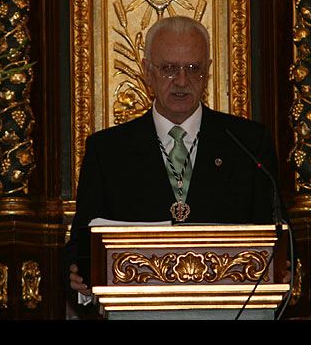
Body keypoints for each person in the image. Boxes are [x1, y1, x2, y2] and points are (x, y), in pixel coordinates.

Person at [62, 15, 290, 297]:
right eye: (169, 68)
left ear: (207, 72)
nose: (182, 81)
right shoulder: (108, 150)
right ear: (147, 71)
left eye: (193, 69)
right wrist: (77, 274)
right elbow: (82, 243)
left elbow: (276, 233)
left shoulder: (248, 143)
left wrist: (282, 268)